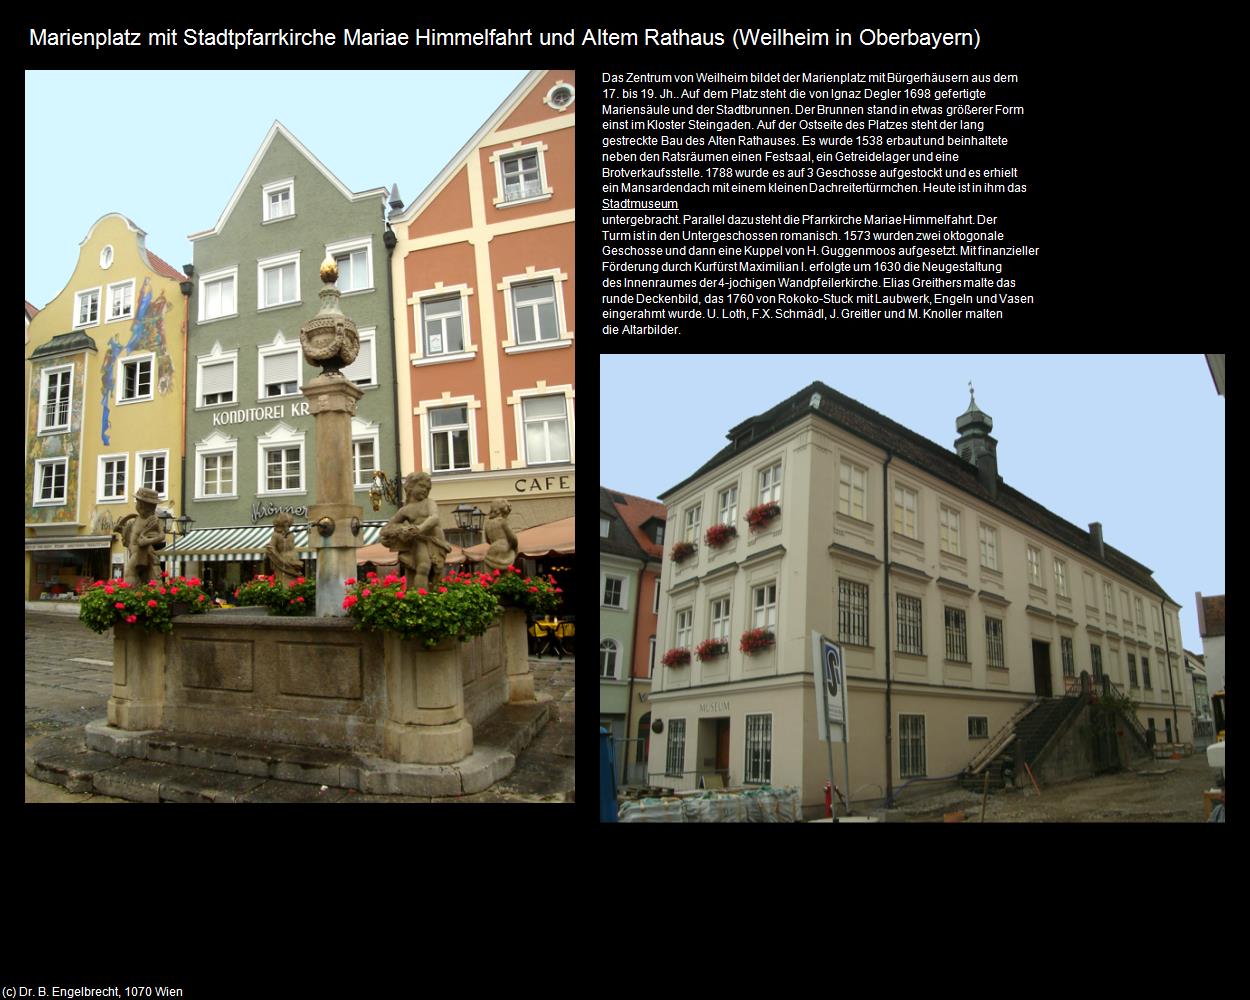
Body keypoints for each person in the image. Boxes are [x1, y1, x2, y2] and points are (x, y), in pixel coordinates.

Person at [379, 472, 452, 589]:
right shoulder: (404, 510)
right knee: (423, 566)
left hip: (436, 541)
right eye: (422, 486)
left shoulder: (429, 502)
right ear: (410, 487)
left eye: (428, 488)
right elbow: (387, 528)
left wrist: (420, 528)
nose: (425, 490)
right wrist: (386, 537)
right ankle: (420, 598)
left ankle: (434, 595)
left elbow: (434, 518)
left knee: (437, 572)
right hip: (420, 540)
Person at [114, 487, 166, 586]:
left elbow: (162, 536)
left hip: (142, 552)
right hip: (133, 552)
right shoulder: (136, 519)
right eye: (138, 503)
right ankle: (138, 594)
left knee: (129, 573)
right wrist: (120, 530)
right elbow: (131, 534)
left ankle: (129, 595)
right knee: (144, 577)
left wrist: (147, 541)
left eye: (142, 504)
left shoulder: (154, 520)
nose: (139, 506)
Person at [263, 512, 305, 588]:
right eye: (286, 523)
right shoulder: (275, 535)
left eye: (289, 524)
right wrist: (273, 553)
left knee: (293, 583)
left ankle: (292, 595)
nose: (288, 525)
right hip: (282, 560)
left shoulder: (291, 534)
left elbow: (292, 547)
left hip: (293, 559)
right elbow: (271, 548)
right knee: (284, 582)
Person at [481, 499, 518, 571]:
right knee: (506, 575)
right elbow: (513, 538)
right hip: (505, 549)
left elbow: (487, 540)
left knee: (492, 576)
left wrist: (494, 544)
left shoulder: (487, 524)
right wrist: (514, 548)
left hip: (492, 549)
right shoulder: (502, 521)